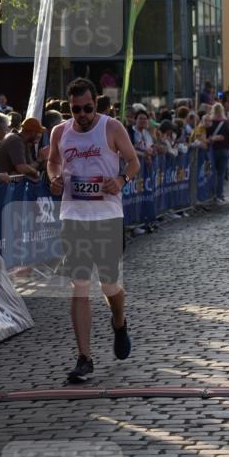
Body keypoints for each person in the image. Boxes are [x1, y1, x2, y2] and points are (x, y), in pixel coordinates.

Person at [47, 78, 140, 383]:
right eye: (76, 110)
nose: (82, 114)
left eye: (87, 108)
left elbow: (133, 161)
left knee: (109, 285)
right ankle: (84, 357)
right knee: (80, 286)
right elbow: (53, 162)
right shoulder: (60, 131)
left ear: (95, 103)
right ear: (68, 107)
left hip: (107, 216)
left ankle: (119, 320)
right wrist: (56, 177)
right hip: (74, 216)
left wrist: (122, 180)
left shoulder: (111, 128)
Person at [207, 102, 229, 202]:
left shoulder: (210, 122)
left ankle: (212, 194)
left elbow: (207, 135)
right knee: (221, 174)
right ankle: (219, 195)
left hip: (213, 149)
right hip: (224, 150)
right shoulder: (226, 123)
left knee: (213, 173)